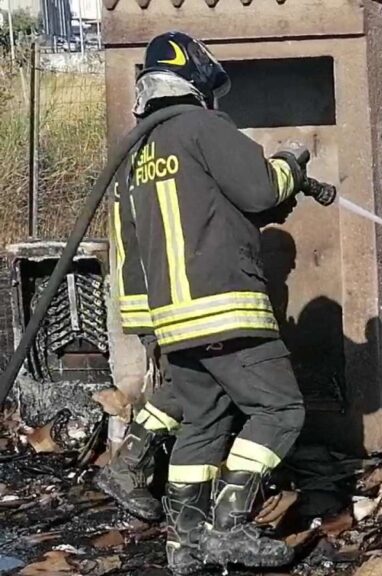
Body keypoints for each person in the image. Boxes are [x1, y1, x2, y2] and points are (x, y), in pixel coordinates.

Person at [106, 31, 309, 573]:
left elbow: (132, 243)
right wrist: (293, 161)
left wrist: (146, 327)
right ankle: (230, 525)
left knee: (204, 420)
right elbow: (262, 189)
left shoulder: (136, 154)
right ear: (195, 82)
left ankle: (185, 543)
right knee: (279, 408)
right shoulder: (205, 127)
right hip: (226, 307)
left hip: (172, 321)